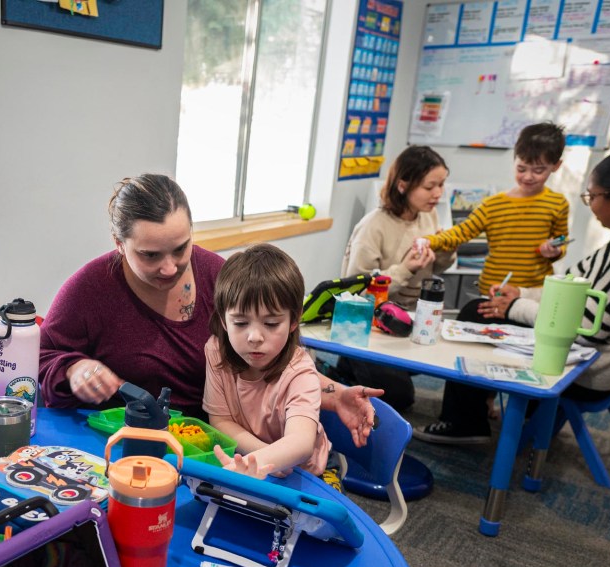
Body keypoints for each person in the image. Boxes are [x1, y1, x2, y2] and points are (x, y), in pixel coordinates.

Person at [39, 173, 380, 445]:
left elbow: (278, 359)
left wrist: (333, 394)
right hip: (113, 441)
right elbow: (40, 360)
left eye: (180, 248)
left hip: (203, 446)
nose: (170, 267)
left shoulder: (219, 276)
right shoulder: (89, 289)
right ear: (119, 244)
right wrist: (74, 368)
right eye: (150, 255)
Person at [415, 146, 610, 444]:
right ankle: (522, 412)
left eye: (593, 196)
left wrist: (513, 308)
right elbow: (573, 287)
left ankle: (465, 422)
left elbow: (586, 325)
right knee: (485, 308)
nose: (590, 204)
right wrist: (522, 293)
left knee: (476, 312)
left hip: (599, 368)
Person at [331, 145, 456, 410]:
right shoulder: (373, 225)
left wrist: (447, 249)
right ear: (403, 185)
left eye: (441, 184)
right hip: (371, 325)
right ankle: (346, 367)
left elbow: (437, 268)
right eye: (429, 186)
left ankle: (352, 369)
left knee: (450, 361)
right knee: (399, 396)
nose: (438, 194)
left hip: (410, 318)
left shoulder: (428, 215)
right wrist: (404, 269)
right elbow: (356, 293)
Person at [204, 244, 331, 478]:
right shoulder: (216, 351)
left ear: (294, 321)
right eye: (240, 323)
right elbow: (220, 420)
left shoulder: (300, 371)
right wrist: (263, 460)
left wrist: (263, 462)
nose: (254, 337)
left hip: (306, 472)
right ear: (223, 320)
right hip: (254, 462)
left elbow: (301, 443)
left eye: (271, 324)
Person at [419, 122, 570, 294]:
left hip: (532, 292)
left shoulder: (558, 203)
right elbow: (460, 233)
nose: (528, 176)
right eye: (521, 168)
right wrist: (430, 241)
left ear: (556, 166)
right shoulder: (493, 205)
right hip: (492, 290)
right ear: (514, 160)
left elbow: (561, 240)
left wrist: (555, 250)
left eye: (538, 170)